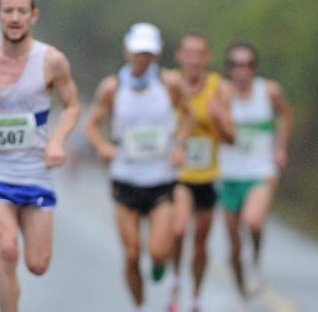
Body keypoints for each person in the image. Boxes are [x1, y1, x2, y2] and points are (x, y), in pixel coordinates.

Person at [0, 0, 80, 312]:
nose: (14, 18)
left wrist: (56, 142)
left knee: (37, 264)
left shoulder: (52, 60)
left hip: (36, 171)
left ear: (33, 16)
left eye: (21, 11)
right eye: (8, 11)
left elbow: (72, 106)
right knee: (8, 250)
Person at [85, 22, 193, 312]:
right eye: (137, 52)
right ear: (127, 51)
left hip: (161, 179)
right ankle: (140, 306)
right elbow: (92, 125)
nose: (142, 58)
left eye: (148, 53)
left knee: (158, 252)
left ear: (156, 55)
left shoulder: (169, 84)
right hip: (126, 179)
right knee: (132, 254)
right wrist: (102, 146)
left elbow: (188, 116)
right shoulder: (112, 87)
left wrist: (180, 145)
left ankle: (160, 264)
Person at [219, 42, 292, 303]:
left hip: (261, 170)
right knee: (234, 246)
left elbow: (285, 115)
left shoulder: (268, 91)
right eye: (237, 65)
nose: (242, 71)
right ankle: (242, 293)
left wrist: (280, 148)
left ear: (254, 68)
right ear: (229, 69)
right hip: (229, 175)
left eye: (248, 64)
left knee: (253, 221)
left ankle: (256, 260)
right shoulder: (221, 94)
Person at [168, 30, 235, 312]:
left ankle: (195, 295)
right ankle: (175, 279)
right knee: (180, 227)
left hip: (208, 174)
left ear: (208, 58)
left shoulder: (219, 88)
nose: (194, 60)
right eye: (189, 53)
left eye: (200, 54)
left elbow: (232, 137)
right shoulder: (169, 83)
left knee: (199, 243)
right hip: (178, 174)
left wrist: (219, 118)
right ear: (180, 57)